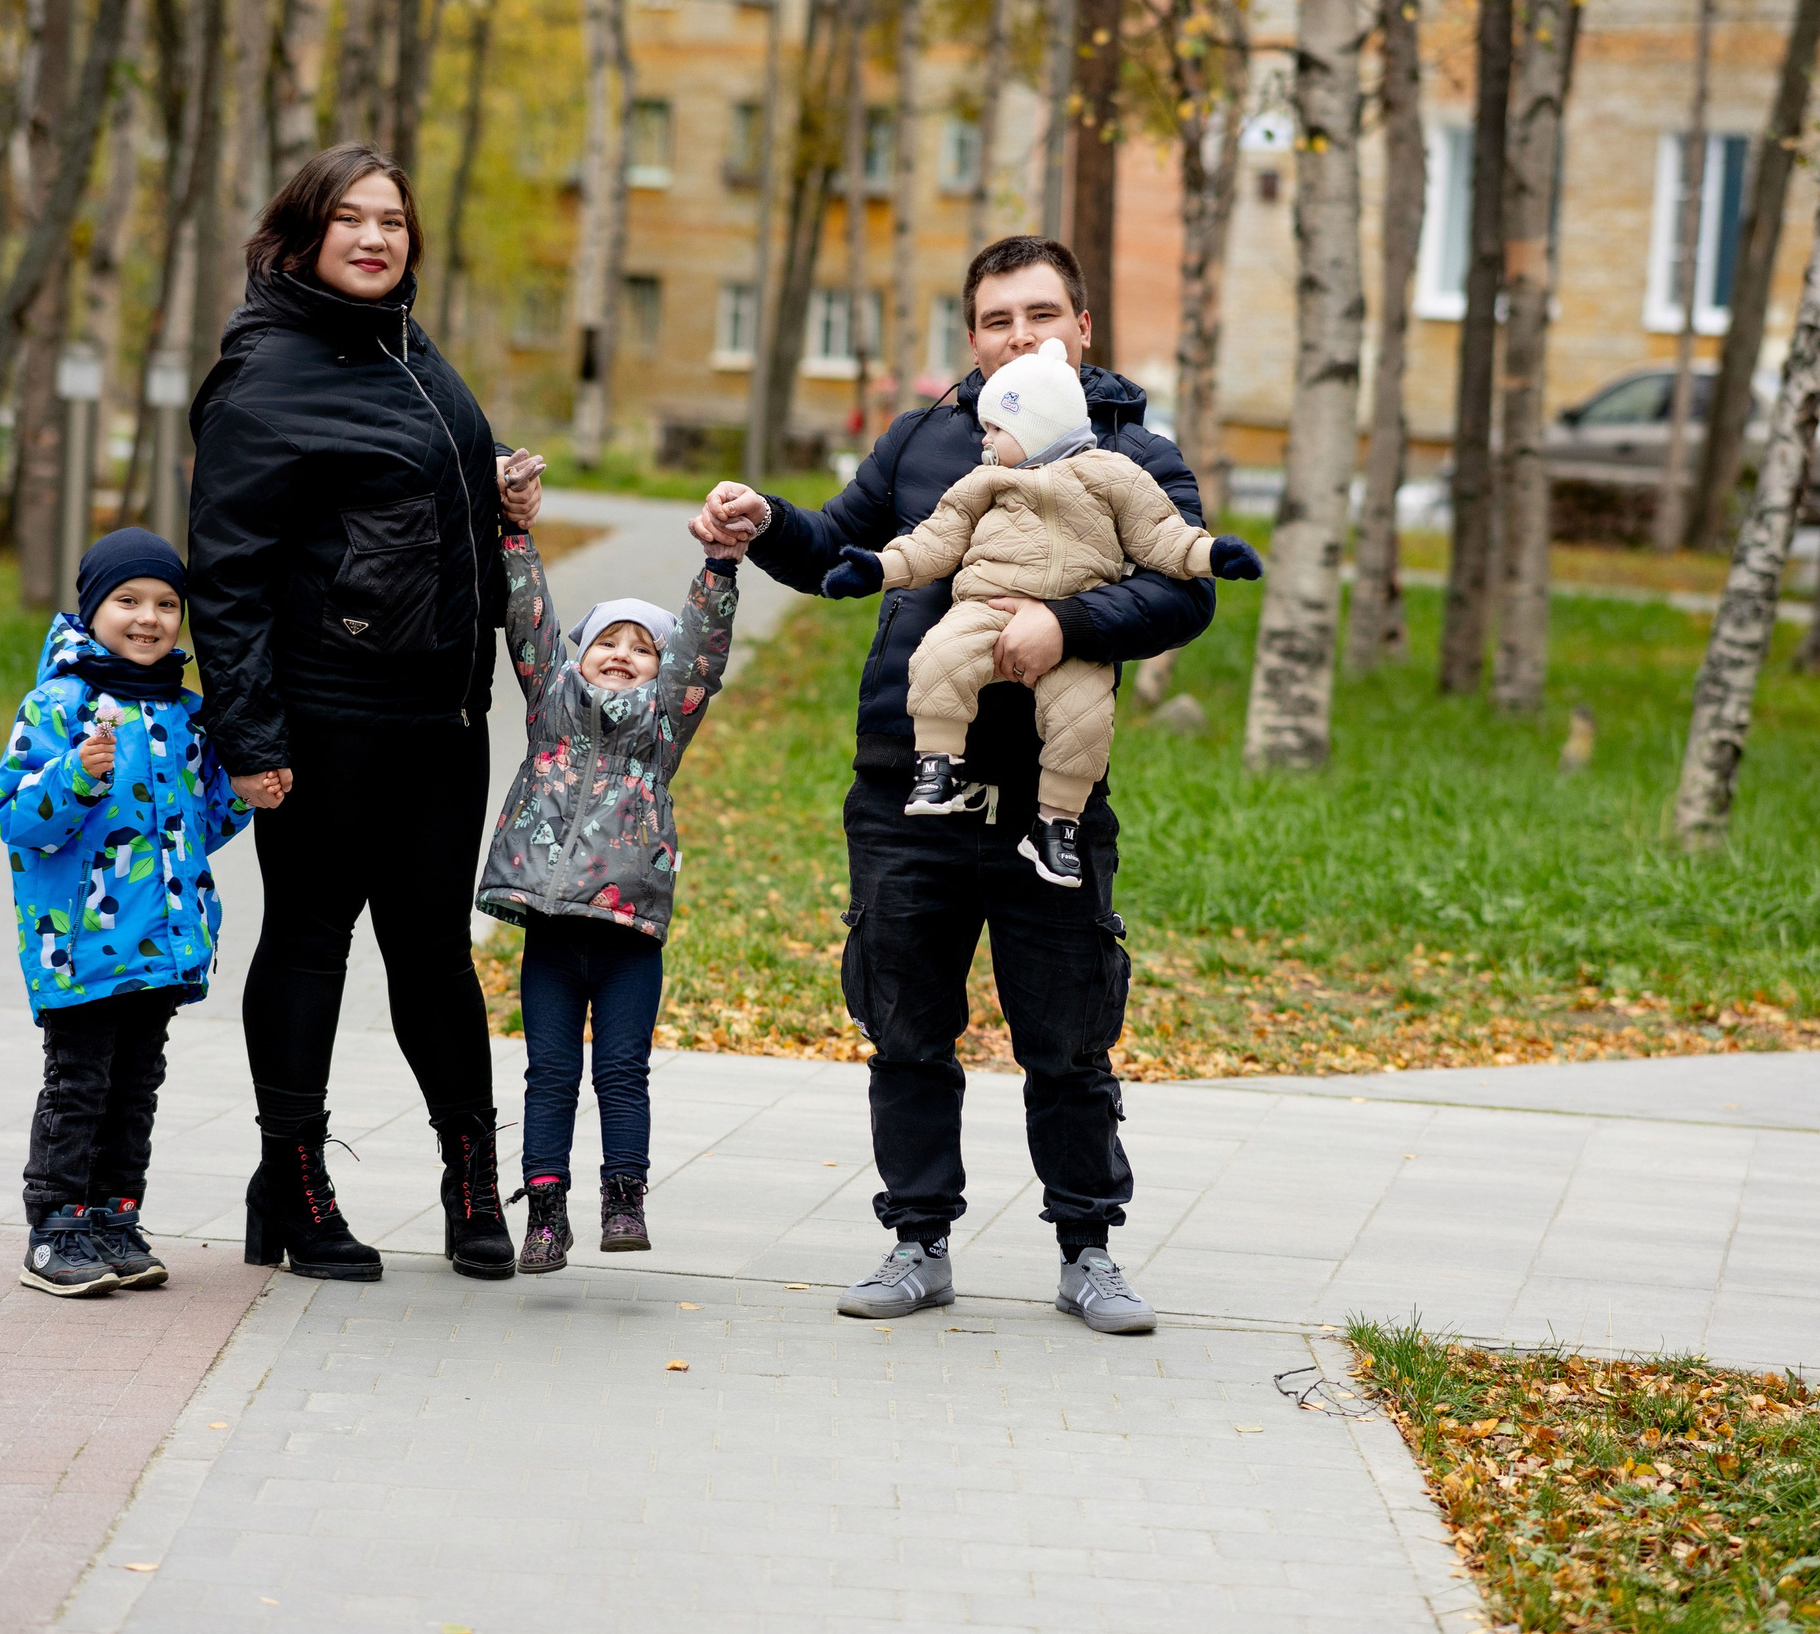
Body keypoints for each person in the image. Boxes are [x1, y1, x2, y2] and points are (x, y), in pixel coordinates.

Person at [691, 235, 1219, 1335]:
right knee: (905, 1027)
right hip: (906, 783)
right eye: (995, 321)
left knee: (1068, 1039)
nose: (1018, 336)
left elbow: (1184, 592)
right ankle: (917, 1240)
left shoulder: (1134, 453)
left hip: (1047, 800)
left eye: (1039, 315)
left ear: (1084, 328)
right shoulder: (930, 438)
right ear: (971, 338)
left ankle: (1088, 1251)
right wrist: (764, 525)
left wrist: (1062, 622)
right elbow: (841, 545)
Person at [186, 143, 543, 1284]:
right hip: (325, 717)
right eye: (351, 219)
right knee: (309, 943)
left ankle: (468, 1180)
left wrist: (488, 501)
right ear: (301, 234)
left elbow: (384, 509)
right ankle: (292, 1187)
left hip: (440, 715)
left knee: (435, 957)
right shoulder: (267, 371)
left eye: (392, 221)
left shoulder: (408, 348)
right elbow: (227, 573)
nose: (377, 238)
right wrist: (248, 738)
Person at [818, 337, 1261, 886]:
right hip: (985, 602)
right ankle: (937, 767)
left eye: (997, 429)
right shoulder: (984, 482)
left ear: (1035, 428)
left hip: (1076, 626)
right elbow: (934, 542)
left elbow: (1159, 535)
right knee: (939, 653)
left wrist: (1211, 555)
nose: (985, 439)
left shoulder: (1114, 475)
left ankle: (1057, 824)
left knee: (1085, 717)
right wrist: (878, 569)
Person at [0, 528, 255, 1298]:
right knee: (80, 1083)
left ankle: (112, 1216)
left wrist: (241, 793)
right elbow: (16, 816)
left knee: (135, 1084)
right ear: (92, 608)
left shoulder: (185, 713)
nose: (150, 618)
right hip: (80, 945)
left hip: (162, 943)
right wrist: (75, 773)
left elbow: (199, 825)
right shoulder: (58, 703)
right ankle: (54, 1229)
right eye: (128, 600)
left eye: (167, 604)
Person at [474, 529, 741, 1272]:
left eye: (643, 646)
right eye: (607, 640)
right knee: (549, 1071)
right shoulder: (551, 703)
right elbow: (528, 618)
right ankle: (547, 1212)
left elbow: (703, 648)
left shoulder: (664, 721)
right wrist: (516, 534)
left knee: (622, 1070)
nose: (622, 653)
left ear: (663, 669)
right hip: (552, 932)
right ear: (579, 653)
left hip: (629, 934)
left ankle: (624, 1196)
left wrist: (719, 567)